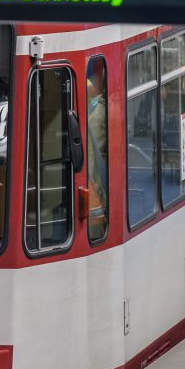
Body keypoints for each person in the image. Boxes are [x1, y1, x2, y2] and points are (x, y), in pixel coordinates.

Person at [85, 59, 109, 239]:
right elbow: (93, 169)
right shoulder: (98, 117)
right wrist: (99, 213)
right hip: (102, 208)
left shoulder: (106, 109)